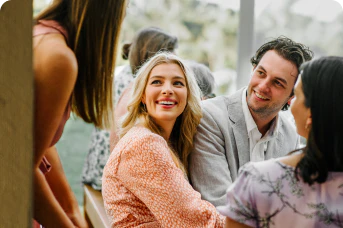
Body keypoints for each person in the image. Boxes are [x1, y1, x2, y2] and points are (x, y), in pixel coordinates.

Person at [102, 52, 225, 227]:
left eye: (177, 83)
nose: (167, 89)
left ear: (188, 95)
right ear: (143, 95)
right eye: (156, 82)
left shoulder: (159, 140)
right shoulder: (144, 144)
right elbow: (195, 220)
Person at [217, 56, 343, 227]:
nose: (291, 105)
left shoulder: (258, 181)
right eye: (260, 73)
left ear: (311, 114)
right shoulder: (214, 115)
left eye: (296, 96)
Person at [33, 0, 127, 227]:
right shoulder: (59, 59)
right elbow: (22, 170)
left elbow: (38, 144)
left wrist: (72, 210)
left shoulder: (39, 32)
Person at [189, 36, 313, 207]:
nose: (263, 86)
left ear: (292, 95)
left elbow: (287, 205)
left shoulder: (290, 135)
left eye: (277, 83)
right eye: (261, 73)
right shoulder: (209, 117)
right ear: (253, 69)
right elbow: (219, 203)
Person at [82, 27, 178, 190]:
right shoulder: (137, 87)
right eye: (171, 55)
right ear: (155, 56)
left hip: (95, 168)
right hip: (109, 174)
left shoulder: (124, 75)